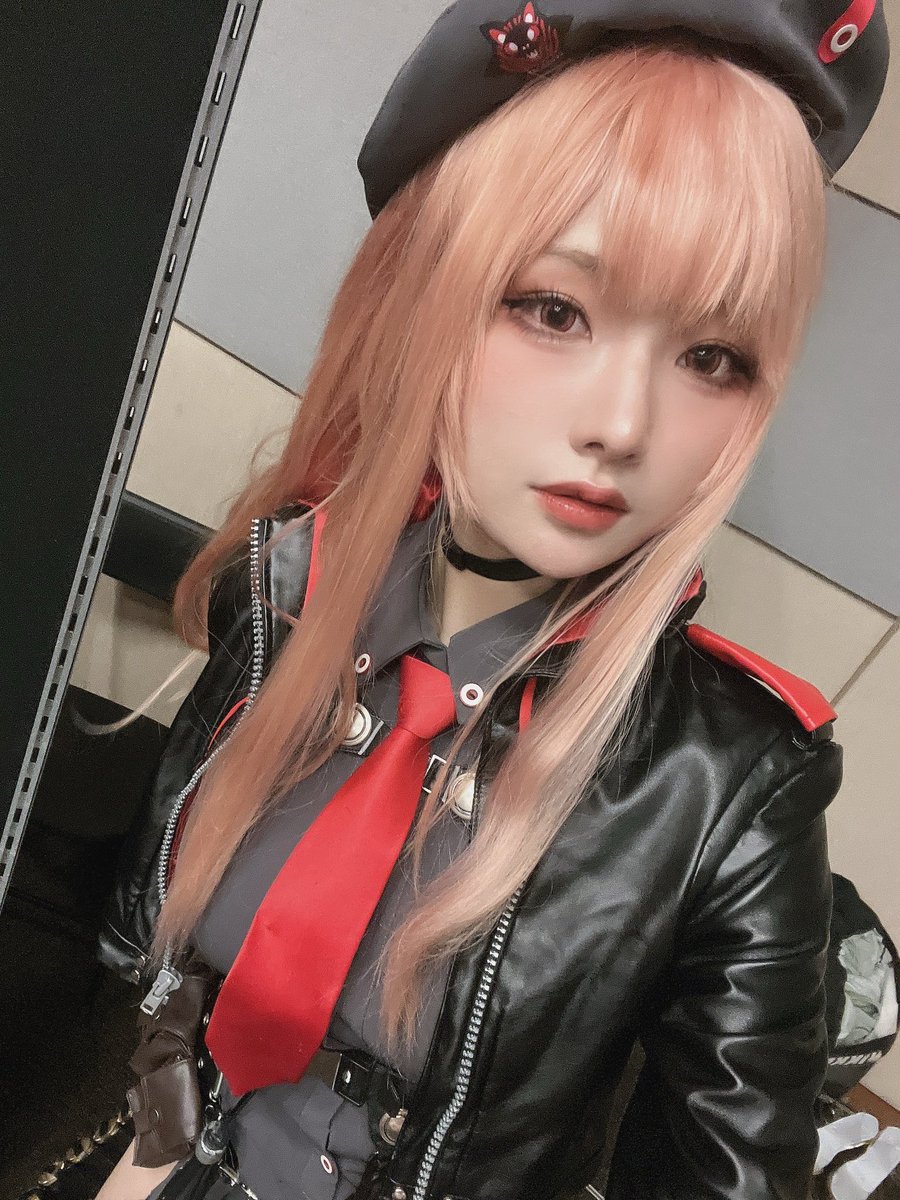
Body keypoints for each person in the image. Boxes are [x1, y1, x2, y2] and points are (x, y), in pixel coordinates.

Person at [90, 3, 890, 1199]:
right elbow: (167, 991)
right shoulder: (293, 588)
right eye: (553, 310)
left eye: (712, 358)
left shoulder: (730, 792)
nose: (622, 425)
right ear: (431, 292)